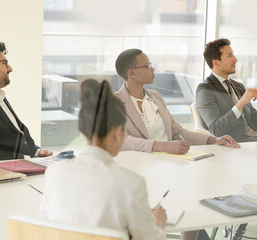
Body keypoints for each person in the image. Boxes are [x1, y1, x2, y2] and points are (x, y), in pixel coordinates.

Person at [40, 79, 167, 240]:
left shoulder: (55, 172)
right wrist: (157, 224)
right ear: (117, 131)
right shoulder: (131, 183)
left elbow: (45, 224)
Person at [114, 48, 240, 155]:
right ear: (131, 73)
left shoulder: (155, 97)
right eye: (147, 66)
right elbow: (122, 140)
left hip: (169, 160)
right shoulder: (114, 101)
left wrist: (213, 140)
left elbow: (177, 131)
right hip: (140, 163)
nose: (152, 69)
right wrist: (165, 146)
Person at [196, 38, 257, 142]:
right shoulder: (205, 90)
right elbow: (215, 129)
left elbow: (254, 125)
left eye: (233, 54)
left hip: (256, 139)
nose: (235, 59)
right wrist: (240, 104)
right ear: (216, 63)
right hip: (238, 143)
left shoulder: (238, 86)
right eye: (229, 56)